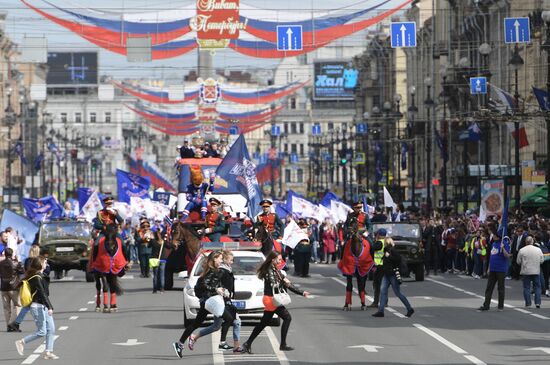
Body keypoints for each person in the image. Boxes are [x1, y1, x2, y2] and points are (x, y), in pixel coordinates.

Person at [241, 251, 310, 354]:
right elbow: (274, 284)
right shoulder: (269, 270)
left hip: (271, 299)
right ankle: (282, 344)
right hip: (271, 299)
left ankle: (247, 343)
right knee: (287, 318)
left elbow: (288, 285)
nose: (280, 261)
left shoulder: (275, 270)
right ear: (273, 260)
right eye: (278, 259)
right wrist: (283, 281)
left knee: (263, 323)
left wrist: (302, 292)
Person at [173, 251, 235, 358]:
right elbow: (204, 285)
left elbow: (214, 284)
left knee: (197, 324)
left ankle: (179, 343)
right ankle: (222, 343)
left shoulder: (216, 270)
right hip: (209, 301)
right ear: (214, 259)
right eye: (220, 258)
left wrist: (222, 290)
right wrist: (216, 289)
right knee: (228, 319)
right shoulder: (211, 271)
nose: (221, 260)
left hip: (211, 300)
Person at [15, 256, 58, 360]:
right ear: (40, 264)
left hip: (43, 306)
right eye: (45, 262)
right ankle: (21, 342)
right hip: (38, 307)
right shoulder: (36, 278)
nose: (47, 264)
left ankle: (48, 352)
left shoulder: (40, 275)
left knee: (51, 329)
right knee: (42, 331)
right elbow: (43, 294)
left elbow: (45, 291)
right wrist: (50, 307)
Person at [372, 238, 414, 318]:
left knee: (397, 293)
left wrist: (389, 256)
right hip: (386, 274)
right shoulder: (386, 250)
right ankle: (381, 311)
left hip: (392, 274)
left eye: (385, 242)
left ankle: (409, 309)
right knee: (383, 291)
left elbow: (398, 259)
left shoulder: (393, 250)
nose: (384, 243)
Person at [478, 226, 511, 311]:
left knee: (500, 288)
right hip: (492, 268)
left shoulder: (504, 243)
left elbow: (507, 256)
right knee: (489, 288)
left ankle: (500, 306)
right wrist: (489, 268)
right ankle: (486, 305)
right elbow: (491, 256)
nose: (492, 236)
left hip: (501, 269)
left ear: (497, 236)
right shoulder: (493, 244)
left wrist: (503, 248)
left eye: (494, 235)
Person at [218, 250, 243, 352]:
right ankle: (227, 344)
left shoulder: (228, 269)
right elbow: (218, 283)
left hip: (227, 299)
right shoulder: (221, 271)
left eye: (233, 260)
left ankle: (232, 345)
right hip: (222, 299)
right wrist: (223, 291)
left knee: (216, 325)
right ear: (224, 260)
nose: (232, 262)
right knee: (236, 321)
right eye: (231, 260)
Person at [0, 248, 24, 331]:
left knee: (6, 308)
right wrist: (18, 261)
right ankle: (12, 323)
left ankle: (8, 326)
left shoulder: (1, 263)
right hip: (14, 287)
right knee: (17, 305)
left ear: (4, 254)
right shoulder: (16, 263)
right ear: (12, 254)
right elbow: (22, 272)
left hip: (3, 287)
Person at [517, 236, 544, 308]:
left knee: (526, 287)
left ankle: (528, 303)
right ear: (532, 241)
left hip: (526, 271)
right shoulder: (538, 250)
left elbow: (518, 261)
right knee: (537, 287)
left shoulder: (522, 250)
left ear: (526, 242)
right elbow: (542, 260)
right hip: (536, 270)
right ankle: (537, 303)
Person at [368, 229, 387, 308]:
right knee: (382, 285)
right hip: (383, 266)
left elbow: (372, 248)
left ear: (379, 234)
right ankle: (384, 302)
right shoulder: (386, 242)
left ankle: (376, 302)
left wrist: (370, 239)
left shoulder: (379, 243)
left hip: (379, 266)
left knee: (377, 285)